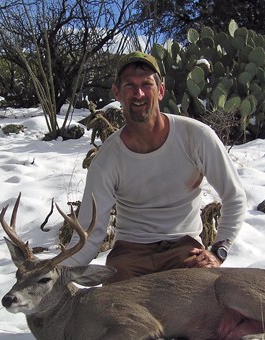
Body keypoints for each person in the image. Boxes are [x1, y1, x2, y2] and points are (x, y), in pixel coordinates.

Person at [62, 51, 247, 284]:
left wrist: (218, 251)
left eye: (146, 84)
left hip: (185, 250)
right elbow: (90, 234)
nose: (138, 93)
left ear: (160, 90)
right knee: (115, 310)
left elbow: (235, 196)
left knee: (202, 306)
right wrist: (54, 271)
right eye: (129, 85)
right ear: (117, 93)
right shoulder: (108, 159)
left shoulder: (195, 137)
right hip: (130, 254)